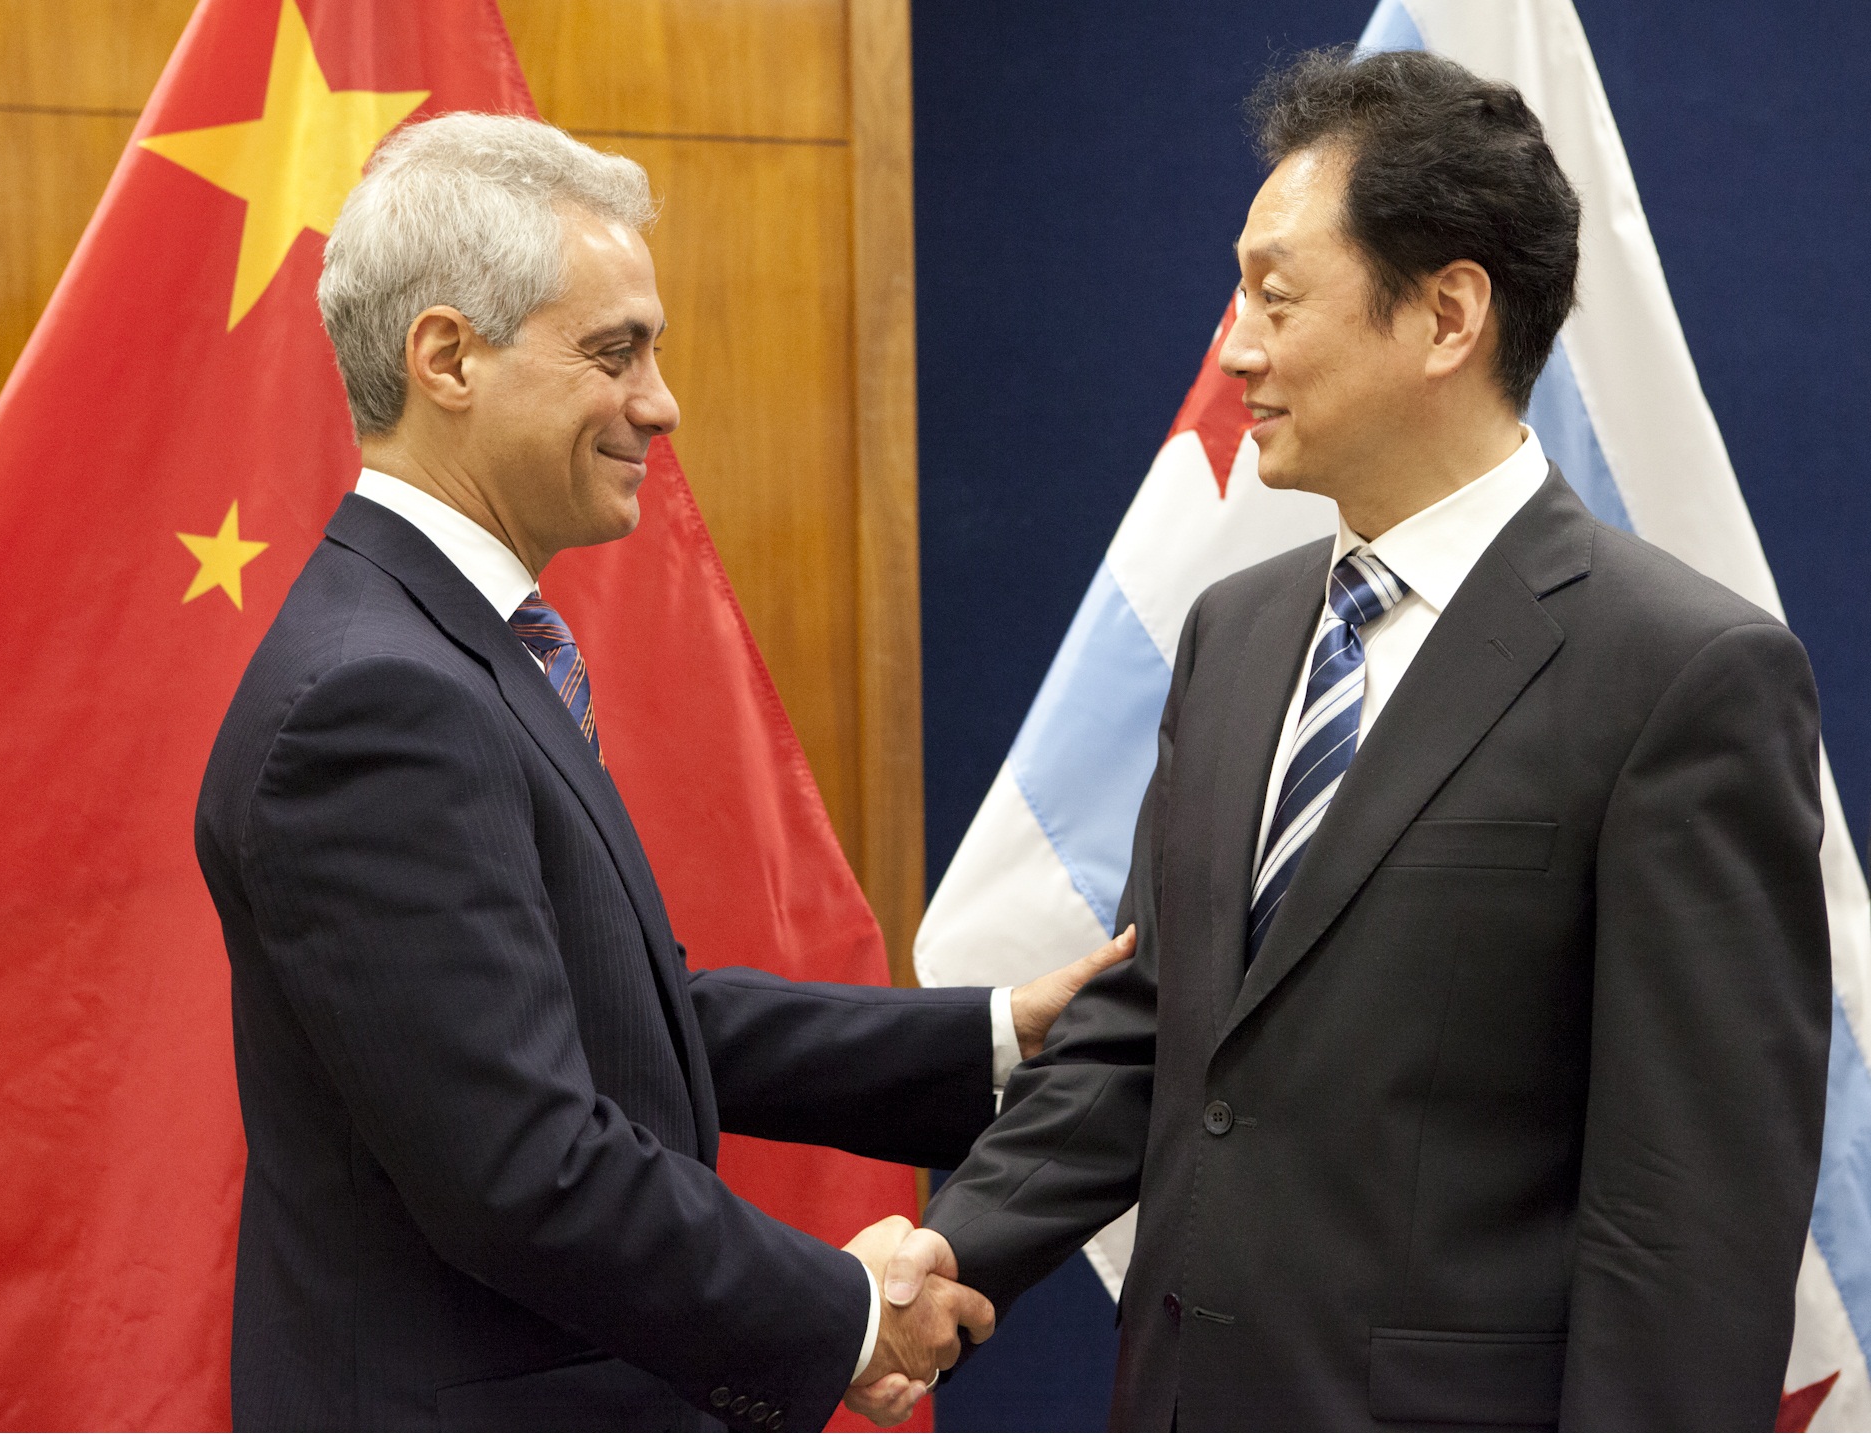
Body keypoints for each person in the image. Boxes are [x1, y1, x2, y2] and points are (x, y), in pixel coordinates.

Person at [890, 47, 1831, 1431]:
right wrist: (952, 1246)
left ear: (1448, 313)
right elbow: (1156, 1033)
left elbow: (1690, 1222)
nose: (1235, 346)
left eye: (1276, 295)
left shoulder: (1684, 676)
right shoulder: (1235, 633)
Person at [194, 113, 1132, 1432]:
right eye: (614, 351)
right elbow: (522, 1164)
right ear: (448, 357)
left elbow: (623, 1016)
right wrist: (850, 1313)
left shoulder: (440, 650)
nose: (661, 400)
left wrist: (996, 1031)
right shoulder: (381, 698)